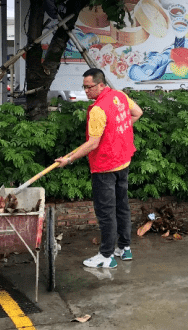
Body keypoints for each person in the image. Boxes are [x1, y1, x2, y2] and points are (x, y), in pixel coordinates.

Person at [56, 68, 143, 268]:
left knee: (106, 212)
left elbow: (92, 144)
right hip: (123, 161)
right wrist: (118, 130)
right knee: (122, 206)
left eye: (89, 87)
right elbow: (137, 113)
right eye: (84, 87)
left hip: (105, 167)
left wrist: (68, 159)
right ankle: (124, 247)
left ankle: (106, 256)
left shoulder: (98, 110)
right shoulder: (119, 96)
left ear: (101, 84)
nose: (86, 91)